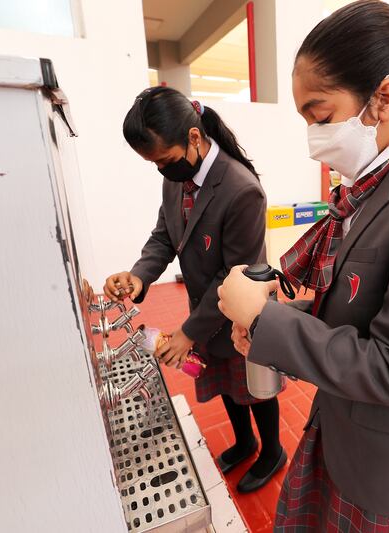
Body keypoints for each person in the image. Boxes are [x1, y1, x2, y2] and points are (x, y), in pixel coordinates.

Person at [217, 1, 389, 530]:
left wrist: (266, 321)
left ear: (384, 99)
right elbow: (358, 306)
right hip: (351, 428)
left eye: (320, 115)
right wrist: (280, 315)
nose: (313, 139)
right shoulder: (371, 188)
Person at [104, 87, 285, 493]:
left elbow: (233, 276)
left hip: (241, 313)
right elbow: (164, 236)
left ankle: (273, 450)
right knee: (224, 383)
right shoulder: (177, 178)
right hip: (205, 310)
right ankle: (245, 442)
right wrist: (139, 277)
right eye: (155, 165)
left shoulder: (241, 190)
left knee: (254, 389)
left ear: (193, 137)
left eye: (164, 161)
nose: (162, 171)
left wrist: (187, 332)